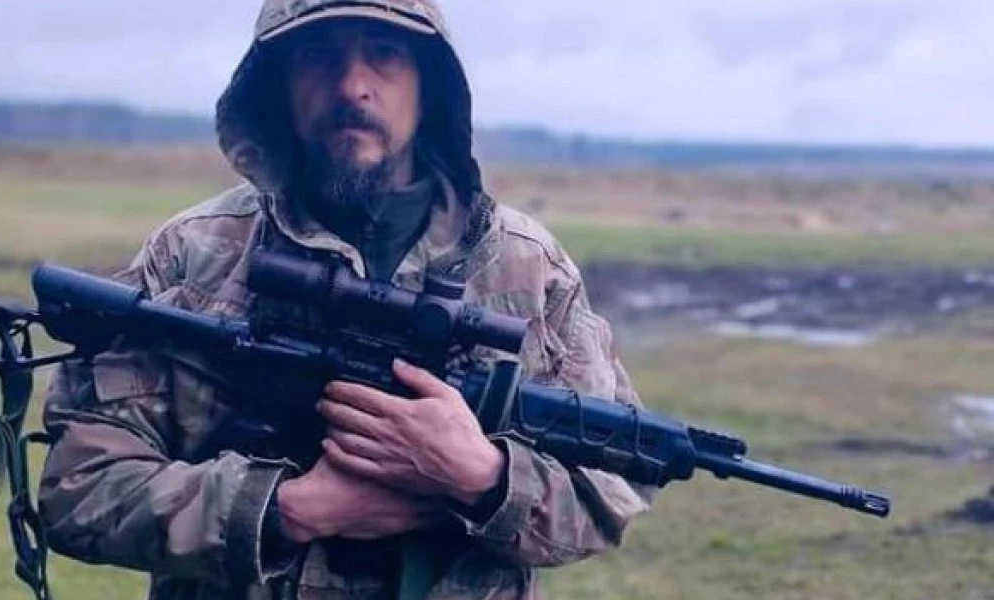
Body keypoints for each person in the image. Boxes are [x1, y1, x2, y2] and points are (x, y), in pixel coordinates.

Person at [36, 1, 655, 598]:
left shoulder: (528, 267)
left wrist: (486, 477)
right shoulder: (193, 254)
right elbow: (80, 489)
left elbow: (612, 487)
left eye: (383, 53)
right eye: (318, 56)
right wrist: (283, 509)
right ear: (278, 86)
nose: (352, 86)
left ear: (429, 84)